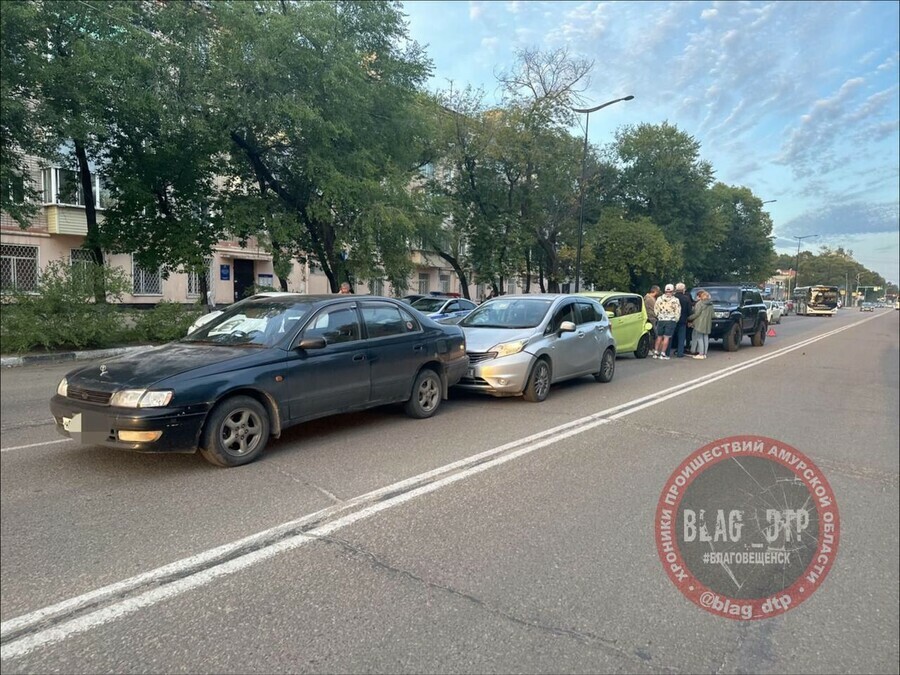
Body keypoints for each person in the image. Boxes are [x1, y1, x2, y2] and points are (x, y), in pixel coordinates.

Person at [652, 284, 681, 360]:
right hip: (670, 320)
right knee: (666, 337)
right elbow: (677, 311)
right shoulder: (675, 300)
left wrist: (658, 316)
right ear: (672, 291)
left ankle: (656, 352)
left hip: (661, 319)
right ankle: (663, 353)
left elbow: (655, 308)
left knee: (659, 336)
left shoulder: (659, 299)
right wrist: (676, 319)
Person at [669, 282, 693, 358]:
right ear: (683, 290)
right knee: (681, 337)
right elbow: (689, 311)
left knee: (670, 336)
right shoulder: (686, 298)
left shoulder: (672, 298)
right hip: (682, 320)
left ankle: (666, 352)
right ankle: (680, 353)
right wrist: (689, 320)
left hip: (672, 319)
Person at [688, 290, 714, 359]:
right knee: (706, 337)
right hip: (707, 323)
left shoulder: (699, 303)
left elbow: (696, 314)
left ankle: (701, 353)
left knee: (699, 338)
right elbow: (713, 315)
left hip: (699, 323)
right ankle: (705, 353)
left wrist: (689, 318)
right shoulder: (710, 304)